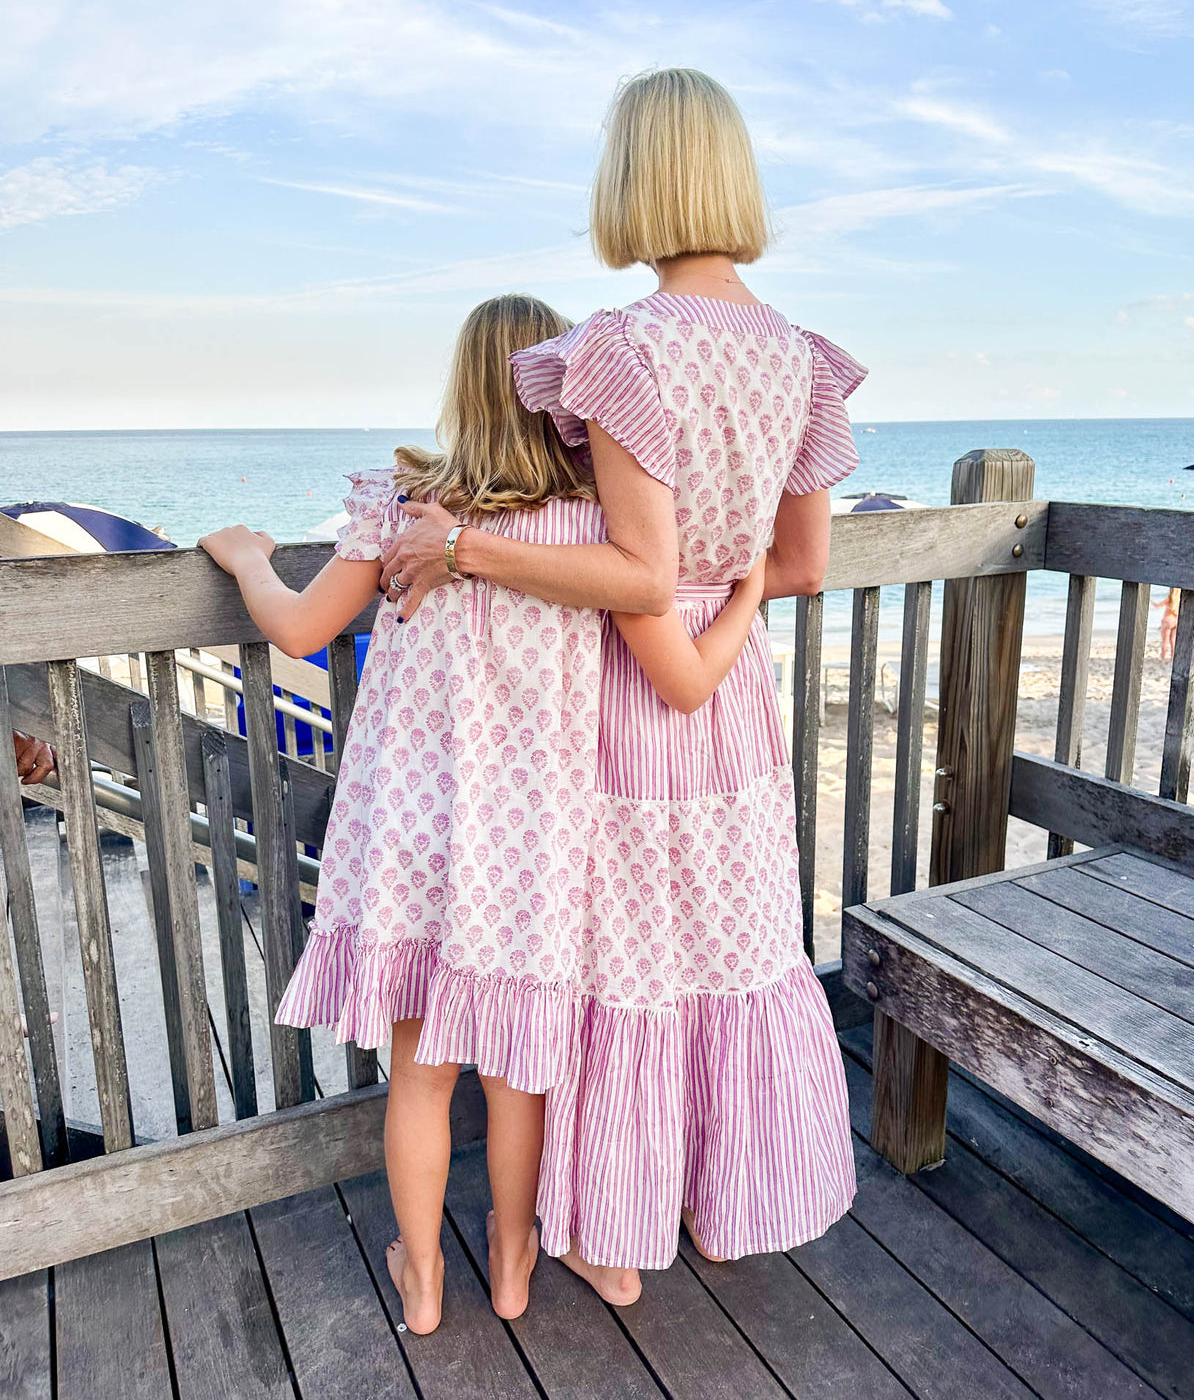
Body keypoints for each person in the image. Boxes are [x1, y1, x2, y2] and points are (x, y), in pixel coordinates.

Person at [198, 293, 768, 1334]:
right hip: (535, 845)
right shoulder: (593, 533)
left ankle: (421, 1282)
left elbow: (297, 629)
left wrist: (246, 559)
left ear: (461, 389)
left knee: (418, 1075)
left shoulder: (405, 511)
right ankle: (511, 1266)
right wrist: (748, 590)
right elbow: (666, 639)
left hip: (411, 836)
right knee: (518, 1075)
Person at [381, 67, 861, 1303]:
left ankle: (608, 1231)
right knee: (727, 946)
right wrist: (738, 591)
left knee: (622, 968)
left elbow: (638, 571)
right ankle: (717, 1193)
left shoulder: (621, 351)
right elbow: (801, 563)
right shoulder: (801, 358)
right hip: (734, 693)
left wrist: (466, 545)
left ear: (632, 181)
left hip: (631, 700)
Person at [1154, 586, 1180, 662]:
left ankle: (1163, 657)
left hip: (1167, 620)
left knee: (1165, 641)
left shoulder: (1169, 600)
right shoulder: (1178, 601)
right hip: (1175, 620)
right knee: (1173, 640)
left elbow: (1157, 605)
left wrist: (1151, 602)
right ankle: (1172, 657)